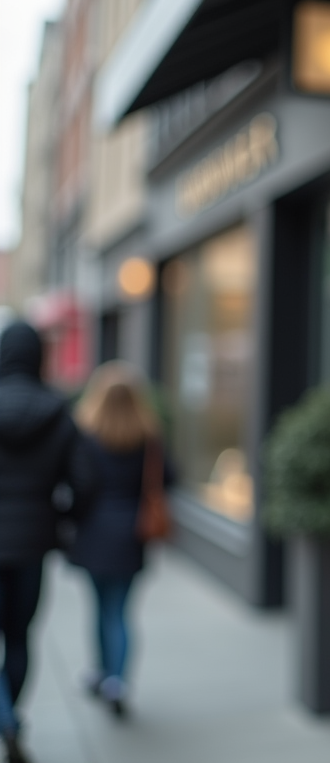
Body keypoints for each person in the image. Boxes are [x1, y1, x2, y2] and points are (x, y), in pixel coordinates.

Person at [0, 322, 95, 763]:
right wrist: (60, 520)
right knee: (19, 637)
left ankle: (7, 721)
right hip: (33, 545)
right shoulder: (58, 411)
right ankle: (10, 716)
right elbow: (84, 482)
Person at [68, 361, 167, 718]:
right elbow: (169, 479)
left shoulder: (86, 435)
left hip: (94, 532)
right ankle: (117, 681)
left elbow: (78, 487)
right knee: (121, 611)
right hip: (131, 533)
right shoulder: (149, 437)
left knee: (99, 607)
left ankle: (101, 672)